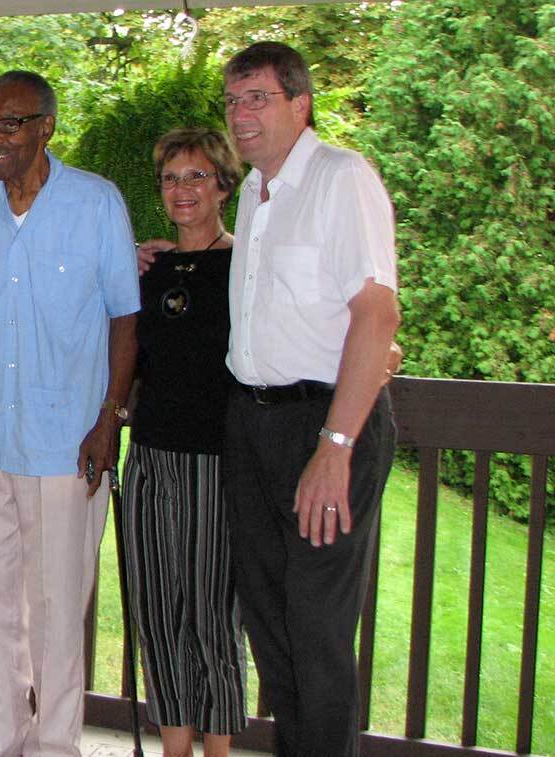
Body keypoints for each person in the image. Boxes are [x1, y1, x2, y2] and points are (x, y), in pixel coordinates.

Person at [0, 70, 139, 757]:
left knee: (56, 605)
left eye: (9, 124)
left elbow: (124, 320)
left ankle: (54, 744)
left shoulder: (96, 204)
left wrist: (110, 415)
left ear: (46, 126)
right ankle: (1, 734)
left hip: (67, 441)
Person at [220, 42, 399, 756]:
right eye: (232, 100)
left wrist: (336, 445)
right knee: (271, 621)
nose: (241, 114)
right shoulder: (254, 192)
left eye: (257, 97)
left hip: (323, 428)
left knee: (317, 627)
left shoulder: (340, 177)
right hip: (253, 423)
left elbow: (376, 313)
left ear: (301, 103)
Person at [121, 127, 248, 757]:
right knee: (158, 613)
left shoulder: (247, 264)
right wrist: (131, 258)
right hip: (149, 456)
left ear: (224, 185)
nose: (183, 189)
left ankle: (218, 749)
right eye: (171, 178)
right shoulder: (150, 267)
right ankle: (174, 746)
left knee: (211, 615)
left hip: (217, 463)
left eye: (197, 176)